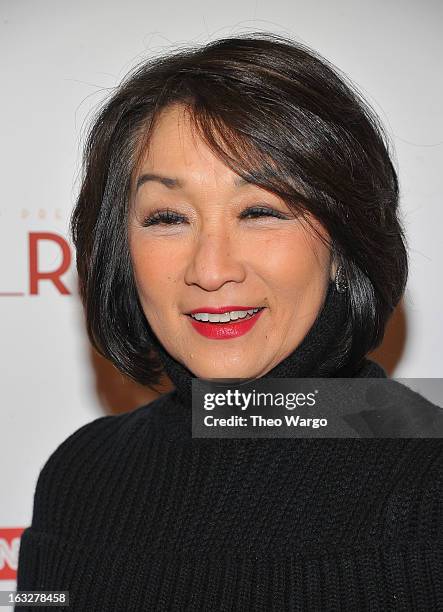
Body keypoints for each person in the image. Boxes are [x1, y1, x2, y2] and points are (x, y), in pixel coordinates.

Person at [16, 32, 442, 610]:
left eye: (260, 211)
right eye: (168, 217)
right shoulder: (80, 474)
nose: (211, 270)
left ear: (344, 243)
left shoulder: (427, 484)